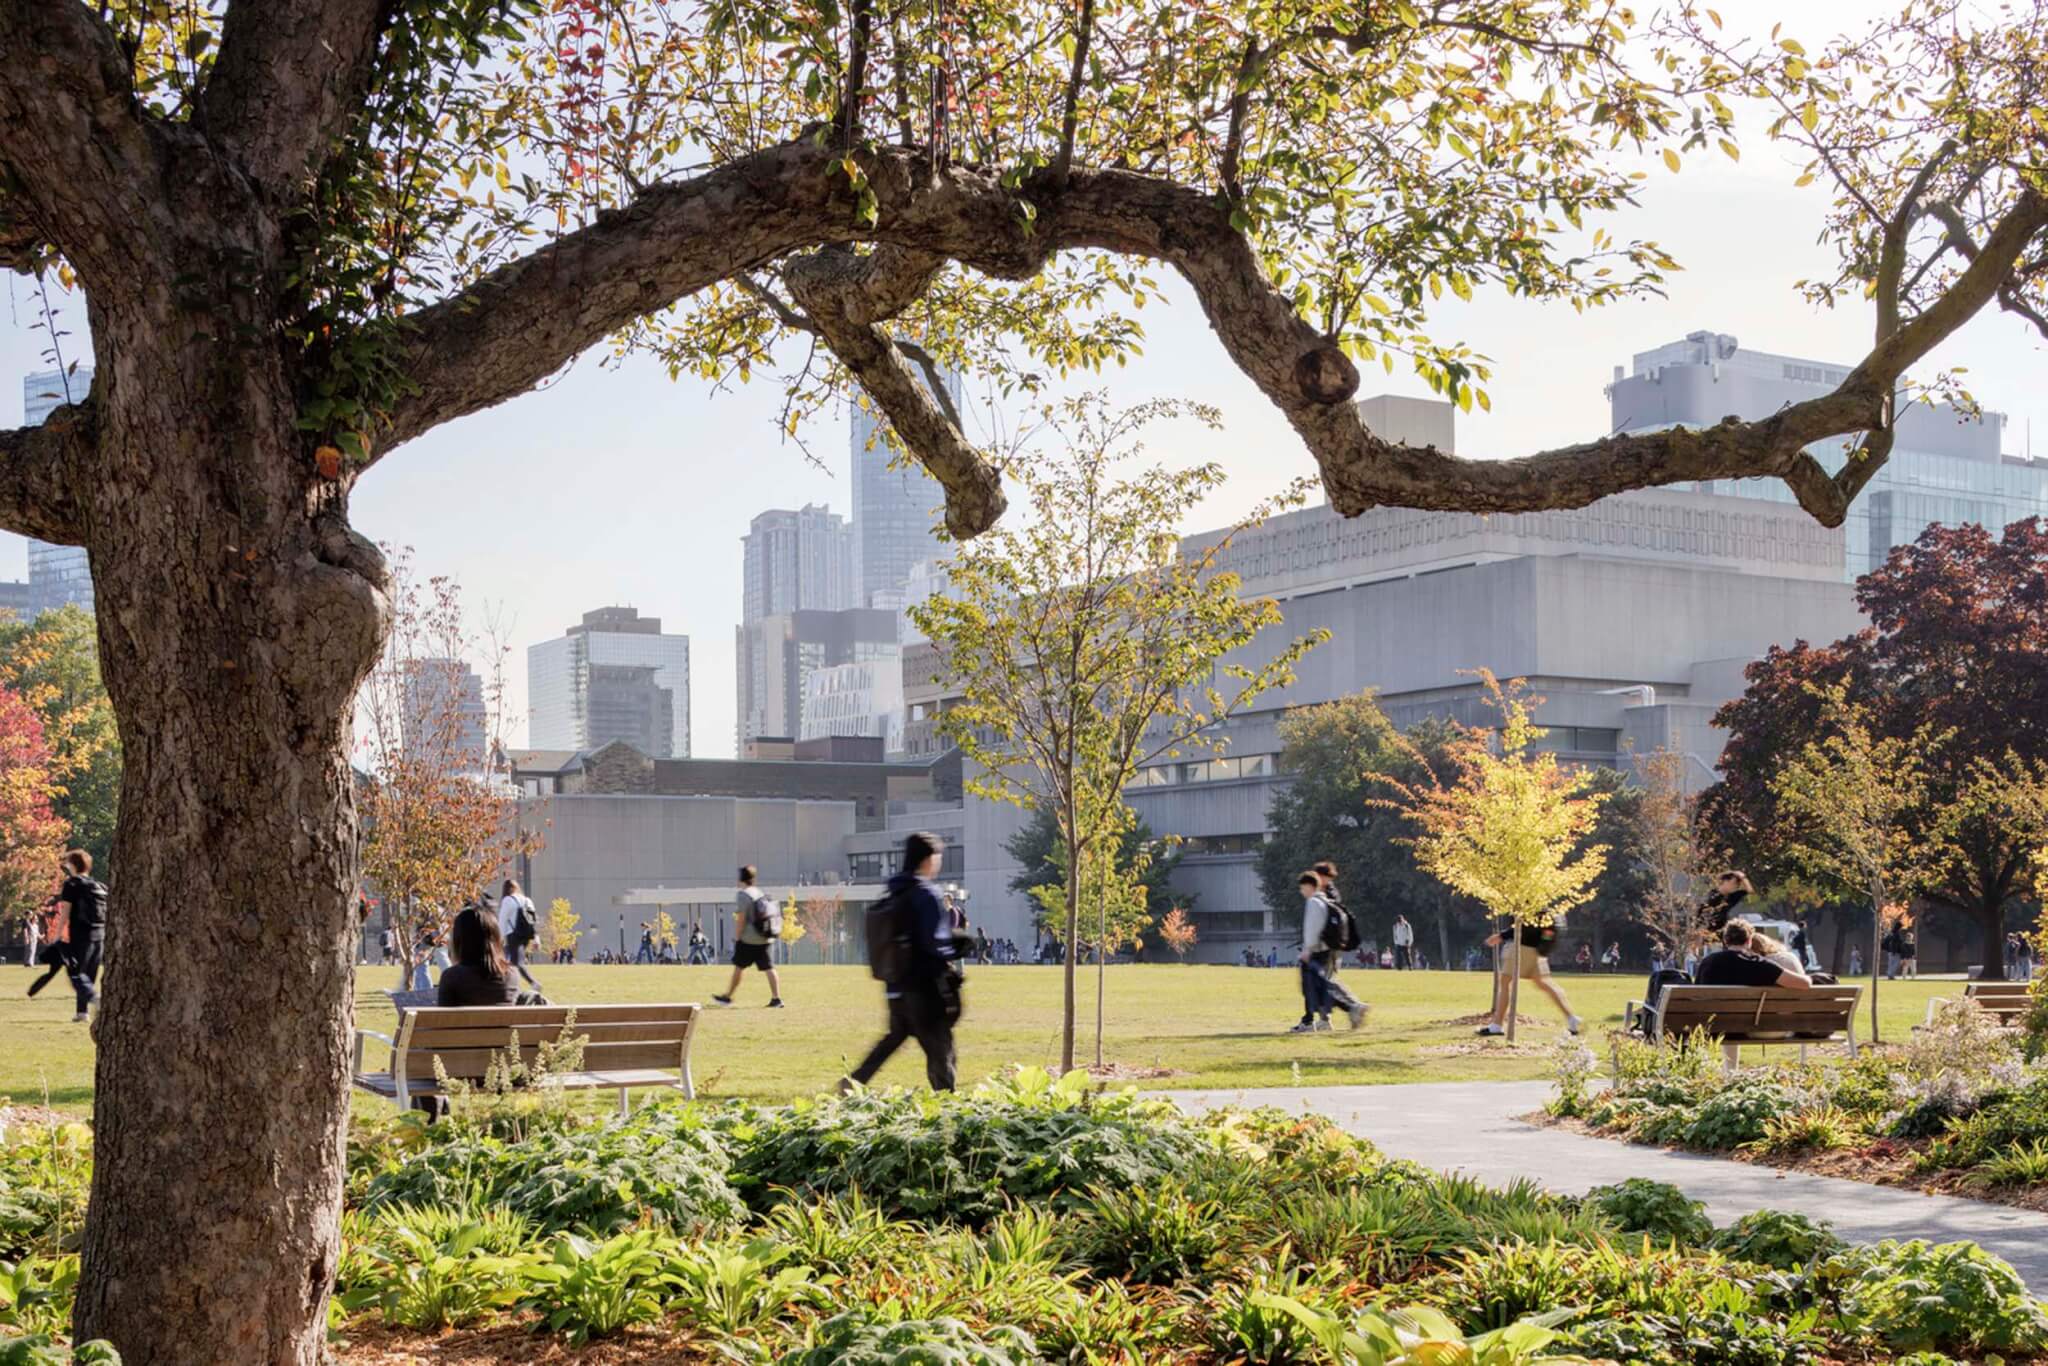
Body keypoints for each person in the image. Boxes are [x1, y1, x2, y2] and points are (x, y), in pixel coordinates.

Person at [846, 832, 962, 1090]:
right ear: (928, 859)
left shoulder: (895, 892)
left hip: (896, 985)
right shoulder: (927, 894)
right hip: (925, 986)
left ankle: (855, 1081)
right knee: (941, 1046)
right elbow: (936, 942)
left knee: (895, 1037)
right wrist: (956, 946)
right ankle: (948, 1104)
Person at [1476, 915, 1581, 1037]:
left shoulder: (1530, 905)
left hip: (1522, 947)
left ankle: (1497, 1025)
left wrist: (1501, 936)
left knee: (1505, 982)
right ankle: (1571, 1018)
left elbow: (1523, 927)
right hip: (1537, 951)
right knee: (1544, 983)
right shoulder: (1546, 909)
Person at [713, 865, 784, 1008]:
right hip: (764, 936)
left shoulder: (743, 895)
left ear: (741, 879)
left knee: (739, 967)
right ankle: (776, 998)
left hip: (749, 938)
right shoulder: (758, 892)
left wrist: (737, 937)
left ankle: (727, 997)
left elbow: (741, 918)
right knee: (769, 967)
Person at [1310, 861, 1368, 1030]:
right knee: (1325, 980)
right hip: (1333, 945)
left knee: (1323, 981)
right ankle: (1326, 1018)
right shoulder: (1332, 893)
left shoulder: (1324, 894)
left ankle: (1354, 1006)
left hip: (1326, 945)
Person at [52, 850, 105, 1022]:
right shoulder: (97, 885)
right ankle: (82, 1012)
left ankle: (93, 1000)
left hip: (81, 934)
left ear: (73, 865)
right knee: (89, 974)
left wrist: (58, 934)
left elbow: (65, 911)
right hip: (100, 934)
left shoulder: (71, 884)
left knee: (76, 973)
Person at [437, 905, 521, 1007]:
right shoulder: (511, 976)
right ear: (496, 938)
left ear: (459, 941)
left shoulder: (451, 977)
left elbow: (444, 1019)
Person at [1696, 918, 1814, 989]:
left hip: (1711, 1025)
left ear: (1726, 941)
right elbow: (1805, 983)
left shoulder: (1708, 961)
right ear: (1749, 941)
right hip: (1746, 1026)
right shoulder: (1759, 963)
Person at [496, 879, 544, 992]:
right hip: (525, 935)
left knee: (516, 962)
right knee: (511, 962)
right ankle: (507, 985)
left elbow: (502, 920)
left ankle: (533, 983)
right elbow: (532, 922)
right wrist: (536, 939)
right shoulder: (527, 900)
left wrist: (499, 938)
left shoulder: (508, 900)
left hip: (512, 935)